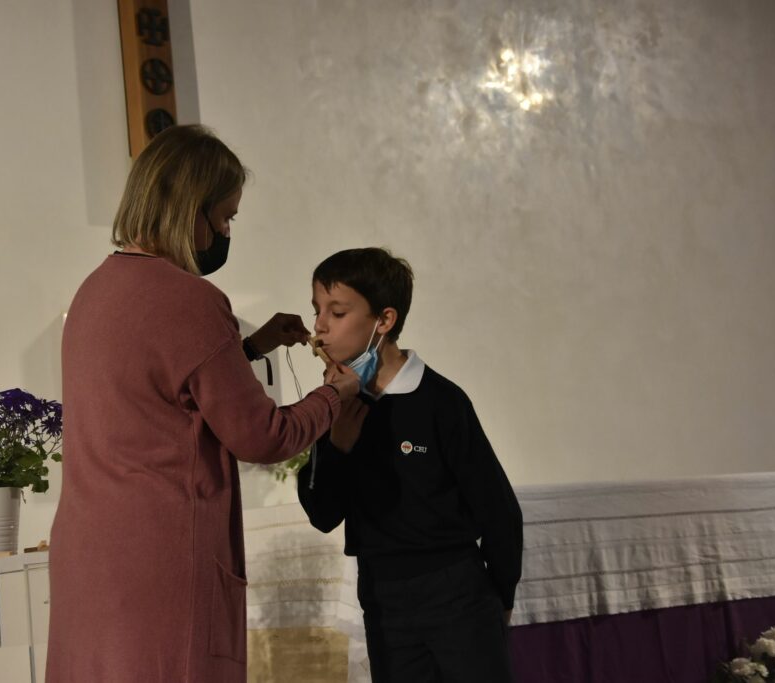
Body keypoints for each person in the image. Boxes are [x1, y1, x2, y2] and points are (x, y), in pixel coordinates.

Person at [46, 125, 359, 683]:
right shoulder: (190, 299)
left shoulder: (94, 290)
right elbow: (263, 436)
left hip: (89, 553)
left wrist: (251, 347)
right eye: (224, 217)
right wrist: (335, 394)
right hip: (159, 555)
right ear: (190, 208)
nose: (225, 231)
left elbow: (160, 388)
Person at [298, 247, 523, 683]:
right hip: (383, 599)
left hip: (456, 593)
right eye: (317, 310)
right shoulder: (334, 403)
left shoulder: (442, 401)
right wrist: (338, 446)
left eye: (337, 312)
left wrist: (500, 597)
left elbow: (499, 509)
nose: (319, 327)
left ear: (384, 320)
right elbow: (322, 513)